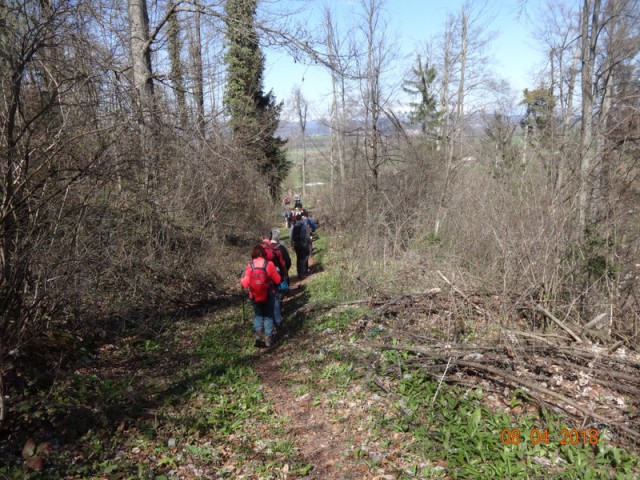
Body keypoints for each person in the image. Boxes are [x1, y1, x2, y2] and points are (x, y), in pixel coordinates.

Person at [240, 245, 281, 347]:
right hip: (268, 294)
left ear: (253, 254)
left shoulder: (250, 266)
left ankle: (257, 335)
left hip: (254, 296)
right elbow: (278, 280)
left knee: (258, 316)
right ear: (264, 253)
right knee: (268, 316)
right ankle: (268, 339)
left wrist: (241, 278)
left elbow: (245, 284)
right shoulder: (269, 264)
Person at [261, 230, 286, 331]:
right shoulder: (275, 248)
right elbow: (281, 264)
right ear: (271, 237)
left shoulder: (258, 249)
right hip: (273, 277)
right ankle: (277, 322)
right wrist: (283, 276)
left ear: (262, 237)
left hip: (261, 278)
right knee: (275, 298)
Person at [271, 229, 291, 331]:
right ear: (277, 238)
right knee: (278, 296)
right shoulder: (281, 248)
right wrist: (285, 272)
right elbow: (287, 262)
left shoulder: (263, 249)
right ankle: (277, 320)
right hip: (279, 276)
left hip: (268, 278)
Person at [290, 213, 310, 279]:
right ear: (301, 219)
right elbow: (307, 236)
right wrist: (307, 244)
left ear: (296, 219)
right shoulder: (304, 226)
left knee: (298, 258)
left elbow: (290, 237)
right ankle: (302, 273)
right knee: (303, 258)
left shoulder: (293, 226)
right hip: (302, 244)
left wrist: (292, 245)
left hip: (296, 245)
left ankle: (298, 273)